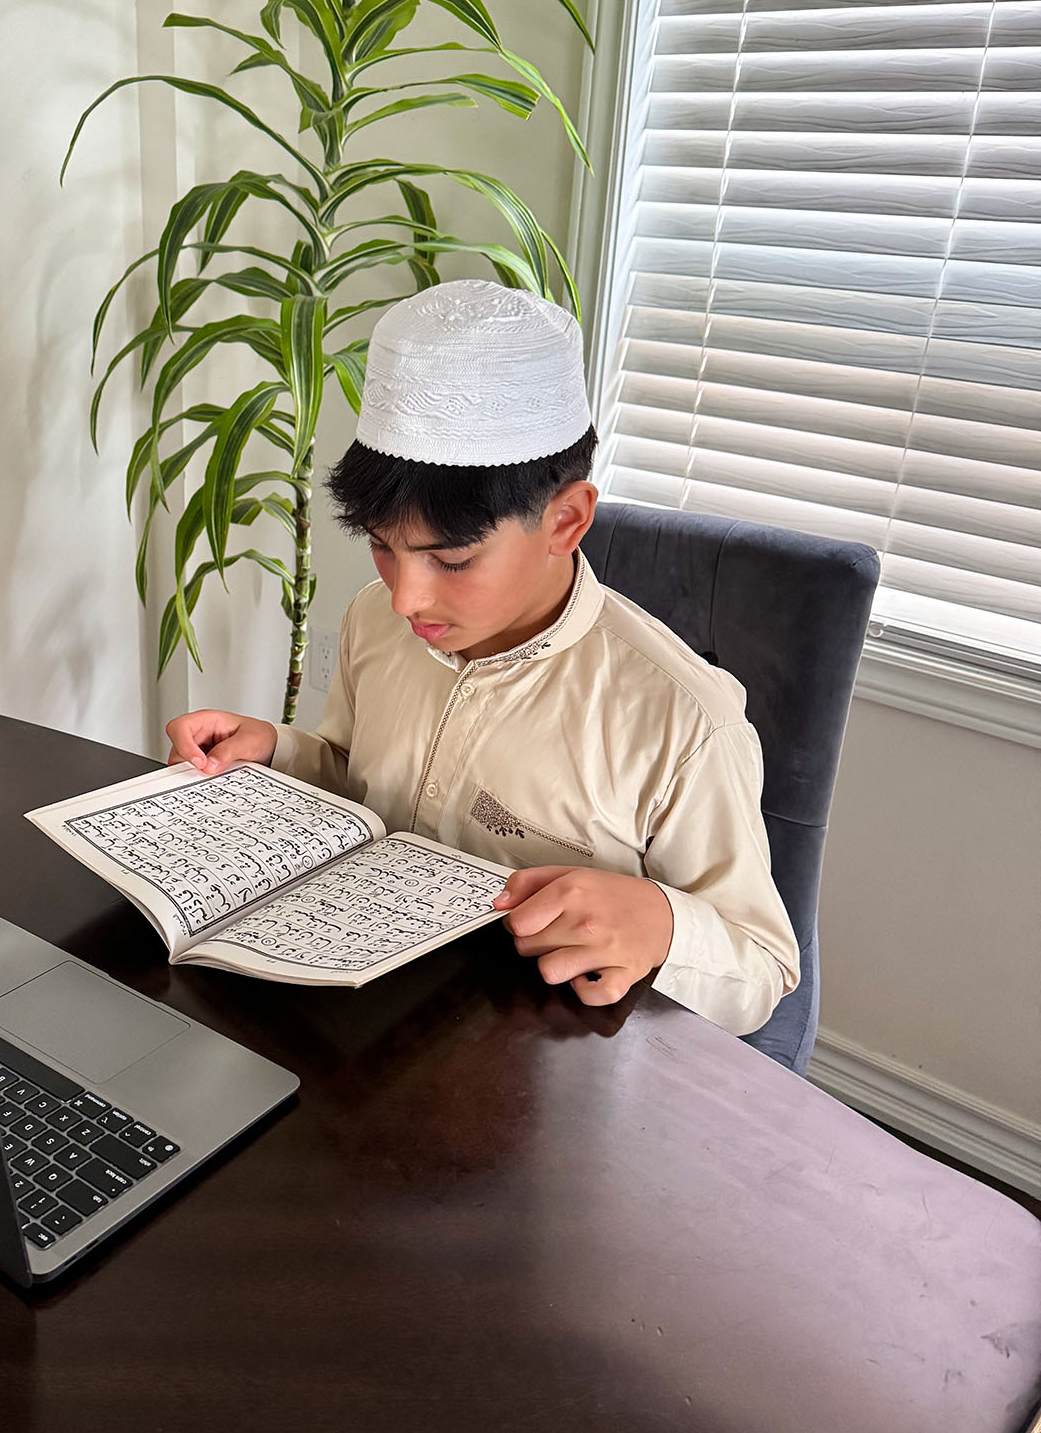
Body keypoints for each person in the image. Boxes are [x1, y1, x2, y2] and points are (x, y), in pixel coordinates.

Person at [166, 279, 799, 1037]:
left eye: (452, 560)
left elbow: (763, 968)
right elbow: (357, 780)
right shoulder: (375, 620)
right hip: (349, 1021)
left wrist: (663, 925)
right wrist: (277, 752)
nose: (406, 598)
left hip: (535, 1063)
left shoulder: (683, 721)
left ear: (566, 520)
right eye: (383, 548)